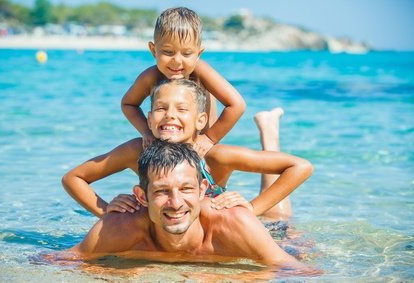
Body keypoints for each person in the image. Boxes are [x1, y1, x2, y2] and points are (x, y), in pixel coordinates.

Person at [62, 79, 313, 221]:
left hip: (216, 219)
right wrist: (106, 211)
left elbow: (300, 167)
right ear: (149, 120)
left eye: (182, 110)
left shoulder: (215, 156)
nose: (170, 115)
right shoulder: (138, 151)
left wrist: (254, 208)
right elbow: (73, 178)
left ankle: (269, 134)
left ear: (201, 121)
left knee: (278, 218)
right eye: (161, 109)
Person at [61, 139, 308, 272]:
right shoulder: (120, 227)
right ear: (142, 197)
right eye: (162, 191)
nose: (176, 203)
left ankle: (270, 135)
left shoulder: (233, 223)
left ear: (203, 190)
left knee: (281, 221)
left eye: (186, 189)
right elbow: (58, 261)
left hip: (266, 234)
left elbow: (297, 270)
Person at [121, 7, 246, 156]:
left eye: (187, 53)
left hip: (200, 147)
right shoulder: (151, 76)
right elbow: (128, 104)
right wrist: (146, 132)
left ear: (198, 53)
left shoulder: (200, 72)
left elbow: (236, 105)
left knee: (213, 174)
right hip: (168, 146)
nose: (177, 61)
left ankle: (267, 129)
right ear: (153, 50)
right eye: (168, 52)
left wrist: (209, 138)